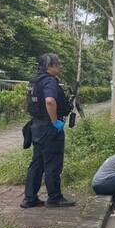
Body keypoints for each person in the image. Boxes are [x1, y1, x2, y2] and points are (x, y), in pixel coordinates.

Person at [22, 53, 76, 208]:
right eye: (58, 64)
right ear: (49, 66)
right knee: (53, 162)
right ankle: (54, 198)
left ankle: (30, 198)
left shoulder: (35, 81)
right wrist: (55, 122)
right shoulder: (49, 81)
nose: (60, 66)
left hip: (36, 127)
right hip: (48, 128)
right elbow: (50, 101)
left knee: (37, 162)